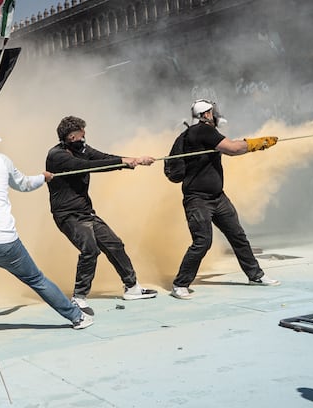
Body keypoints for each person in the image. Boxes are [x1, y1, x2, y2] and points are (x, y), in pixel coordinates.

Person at [0, 126, 93, 339]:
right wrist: (43, 177)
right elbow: (24, 185)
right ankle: (78, 317)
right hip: (6, 243)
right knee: (37, 280)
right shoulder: (2, 160)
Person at [45, 116, 158, 316]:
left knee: (114, 244)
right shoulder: (57, 156)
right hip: (67, 215)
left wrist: (135, 160)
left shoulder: (82, 149)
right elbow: (88, 166)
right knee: (90, 250)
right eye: (82, 134)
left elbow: (103, 157)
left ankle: (132, 287)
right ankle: (78, 298)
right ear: (72, 136)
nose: (85, 138)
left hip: (85, 212)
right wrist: (123, 162)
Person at [170, 99, 280, 300]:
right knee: (203, 241)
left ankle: (255, 275)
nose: (215, 114)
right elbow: (232, 148)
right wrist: (257, 144)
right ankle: (180, 283)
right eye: (212, 112)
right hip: (198, 200)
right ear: (206, 115)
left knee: (237, 235)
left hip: (217, 198)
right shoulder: (203, 131)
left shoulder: (196, 133)